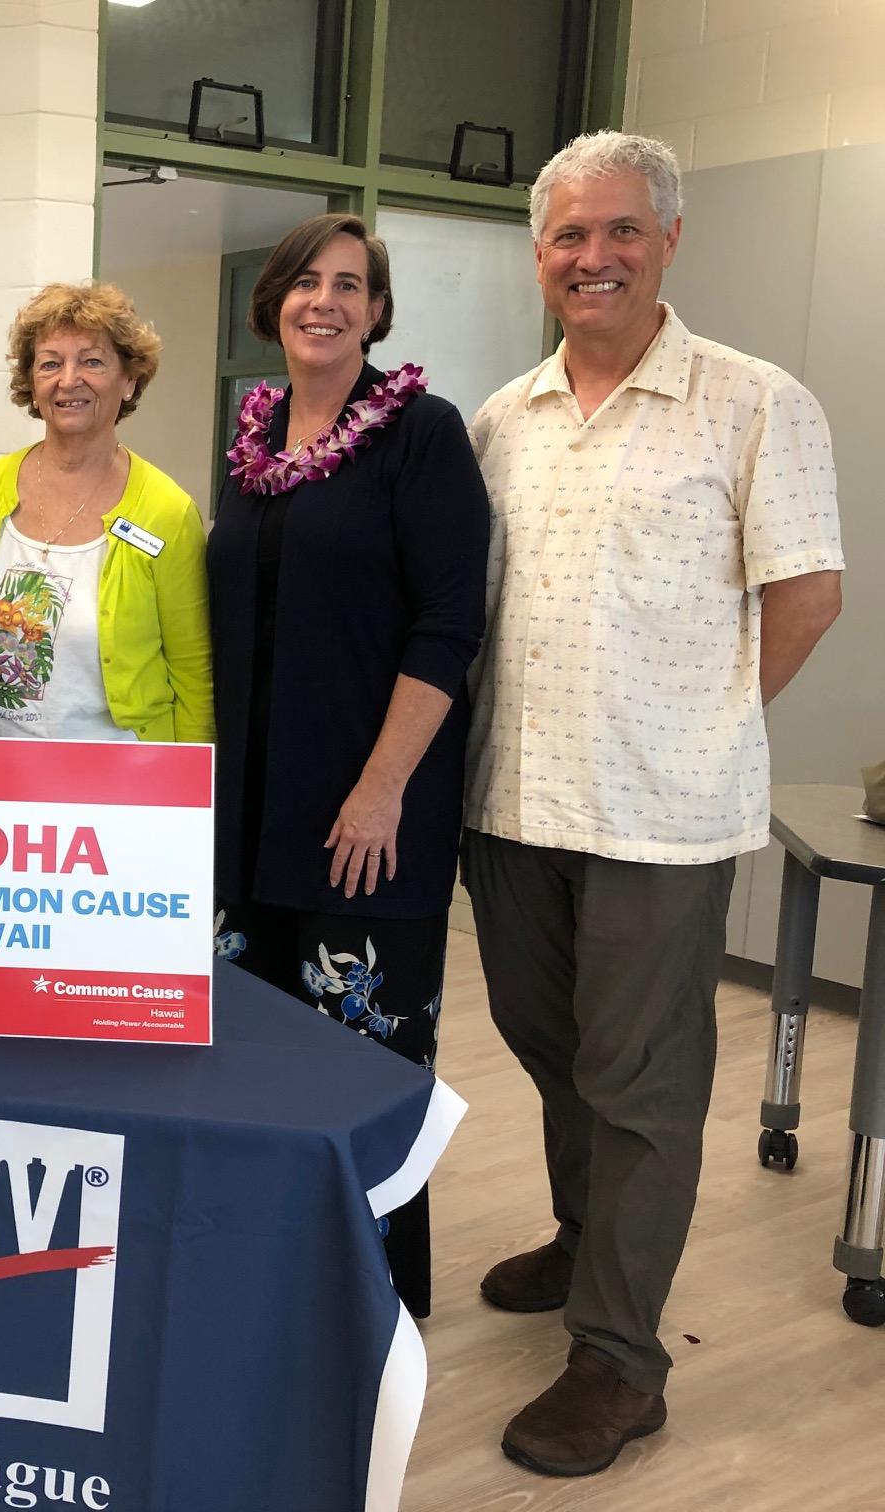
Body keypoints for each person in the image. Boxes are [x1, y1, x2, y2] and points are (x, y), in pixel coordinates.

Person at [463, 130, 842, 1478]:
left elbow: (805, 595)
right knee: (544, 1040)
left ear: (669, 240)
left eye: (621, 231)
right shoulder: (503, 418)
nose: (595, 257)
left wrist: (704, 724)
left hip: (658, 815)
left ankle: (621, 1363)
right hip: (512, 799)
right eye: (570, 235)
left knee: (640, 1081)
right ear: (540, 253)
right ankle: (585, 1239)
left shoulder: (753, 403)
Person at [206, 213, 489, 1320]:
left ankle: (369, 1303)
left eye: (350, 286)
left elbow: (449, 625)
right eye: (305, 282)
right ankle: (267, 1284)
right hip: (256, 823)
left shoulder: (423, 434)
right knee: (251, 1066)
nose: (324, 301)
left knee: (362, 1074)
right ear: (272, 301)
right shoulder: (256, 437)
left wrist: (381, 790)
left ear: (377, 312)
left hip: (368, 823)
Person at [0, 281, 210, 744]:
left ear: (129, 379)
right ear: (32, 385)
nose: (68, 379)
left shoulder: (166, 511)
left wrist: (191, 800)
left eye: (92, 361)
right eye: (50, 363)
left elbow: (195, 677)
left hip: (117, 791)